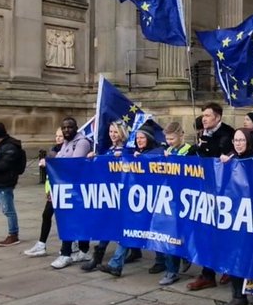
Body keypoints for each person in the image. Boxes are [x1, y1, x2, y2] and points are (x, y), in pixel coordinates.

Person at [99, 124, 163, 278]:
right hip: (137, 200)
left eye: (143, 138)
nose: (139, 141)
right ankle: (116, 264)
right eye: (138, 138)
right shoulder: (135, 153)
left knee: (156, 233)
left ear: (149, 139)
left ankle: (164, 262)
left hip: (154, 200)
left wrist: (143, 159)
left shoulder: (157, 152)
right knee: (128, 230)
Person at [219, 128, 253, 305]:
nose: (238, 143)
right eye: (235, 140)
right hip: (234, 217)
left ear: (248, 141)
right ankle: (238, 295)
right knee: (234, 254)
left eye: (241, 140)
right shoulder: (229, 160)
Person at [188, 102, 236, 291]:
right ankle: (207, 274)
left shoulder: (227, 134)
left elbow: (218, 155)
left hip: (223, 193)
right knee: (206, 232)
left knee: (223, 233)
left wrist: (205, 146)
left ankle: (228, 268)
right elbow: (195, 153)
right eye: (203, 115)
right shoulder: (203, 133)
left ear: (217, 117)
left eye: (207, 115)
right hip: (205, 190)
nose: (204, 119)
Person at [44, 116, 94, 268]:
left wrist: (53, 158)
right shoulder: (66, 143)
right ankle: (83, 250)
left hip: (77, 188)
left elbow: (73, 164)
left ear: (76, 128)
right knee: (75, 220)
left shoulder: (82, 142)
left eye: (69, 127)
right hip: (65, 188)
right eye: (64, 127)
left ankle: (66, 254)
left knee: (70, 221)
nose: (66, 130)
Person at [83, 122, 130, 273]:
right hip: (109, 194)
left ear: (122, 133)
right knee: (106, 224)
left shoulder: (128, 149)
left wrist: (123, 157)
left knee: (123, 227)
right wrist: (94, 158)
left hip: (123, 195)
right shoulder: (109, 149)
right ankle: (98, 257)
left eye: (116, 132)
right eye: (110, 131)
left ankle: (116, 262)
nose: (112, 134)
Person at [157, 121, 194, 285]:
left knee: (183, 234)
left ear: (181, 135)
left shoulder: (189, 151)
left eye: (172, 138)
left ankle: (185, 255)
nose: (169, 142)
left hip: (185, 198)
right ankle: (171, 270)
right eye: (167, 139)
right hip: (170, 198)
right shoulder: (168, 151)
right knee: (170, 235)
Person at [27, 127, 65, 259]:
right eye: (56, 135)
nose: (58, 138)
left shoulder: (65, 150)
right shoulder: (53, 149)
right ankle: (41, 244)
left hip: (63, 190)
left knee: (63, 218)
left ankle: (68, 247)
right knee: (46, 215)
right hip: (52, 190)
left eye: (61, 136)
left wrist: (48, 163)